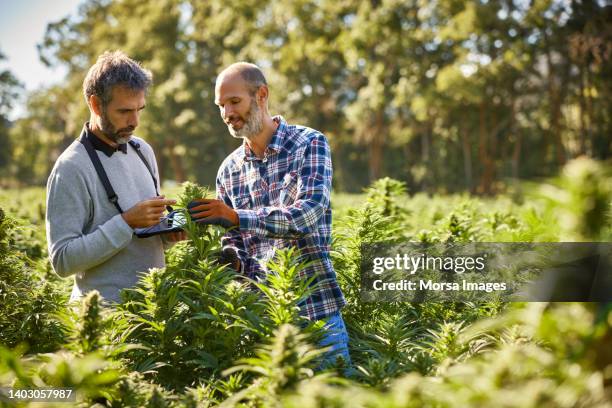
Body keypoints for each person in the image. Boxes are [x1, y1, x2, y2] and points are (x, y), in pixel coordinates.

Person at [189, 62, 350, 368]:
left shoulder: (308, 143)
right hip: (263, 324)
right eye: (221, 105)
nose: (227, 114)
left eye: (234, 102)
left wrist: (237, 217)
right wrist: (229, 257)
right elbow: (234, 239)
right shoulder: (229, 170)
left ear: (261, 95)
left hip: (317, 317)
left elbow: (307, 214)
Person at [46, 50, 183, 304]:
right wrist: (127, 222)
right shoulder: (70, 167)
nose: (135, 121)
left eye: (140, 109)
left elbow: (139, 245)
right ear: (95, 104)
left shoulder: (143, 150)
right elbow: (62, 261)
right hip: (104, 324)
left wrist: (168, 234)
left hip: (154, 313)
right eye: (124, 111)